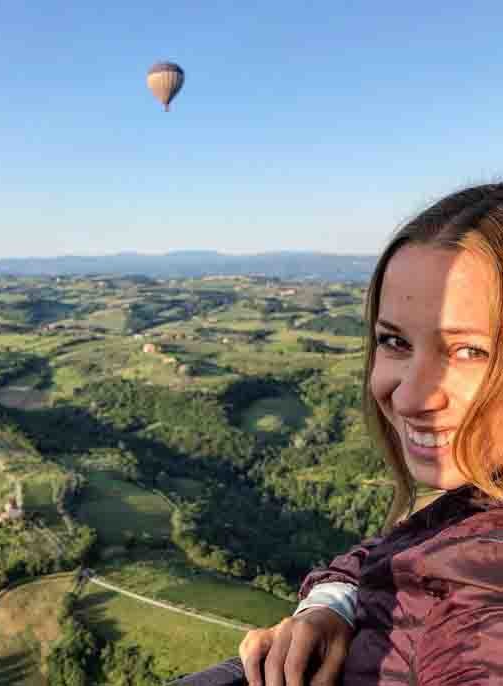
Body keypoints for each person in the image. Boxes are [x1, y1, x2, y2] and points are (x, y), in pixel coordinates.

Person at [171, 183, 503, 686]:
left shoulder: (482, 601)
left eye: (468, 351)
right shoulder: (477, 501)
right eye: (393, 341)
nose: (410, 398)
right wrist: (334, 605)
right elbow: (394, 550)